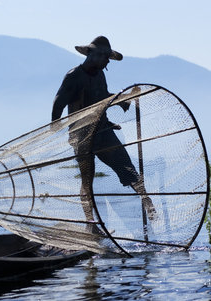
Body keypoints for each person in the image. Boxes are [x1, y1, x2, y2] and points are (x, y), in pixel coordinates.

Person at [51, 36, 156, 233]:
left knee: (127, 167)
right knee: (87, 179)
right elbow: (59, 102)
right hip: (81, 136)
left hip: (102, 131)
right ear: (94, 55)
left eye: (108, 58)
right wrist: (55, 124)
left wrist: (124, 99)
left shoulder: (100, 75)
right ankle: (91, 224)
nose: (107, 62)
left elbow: (101, 99)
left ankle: (147, 202)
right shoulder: (74, 75)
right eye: (105, 58)